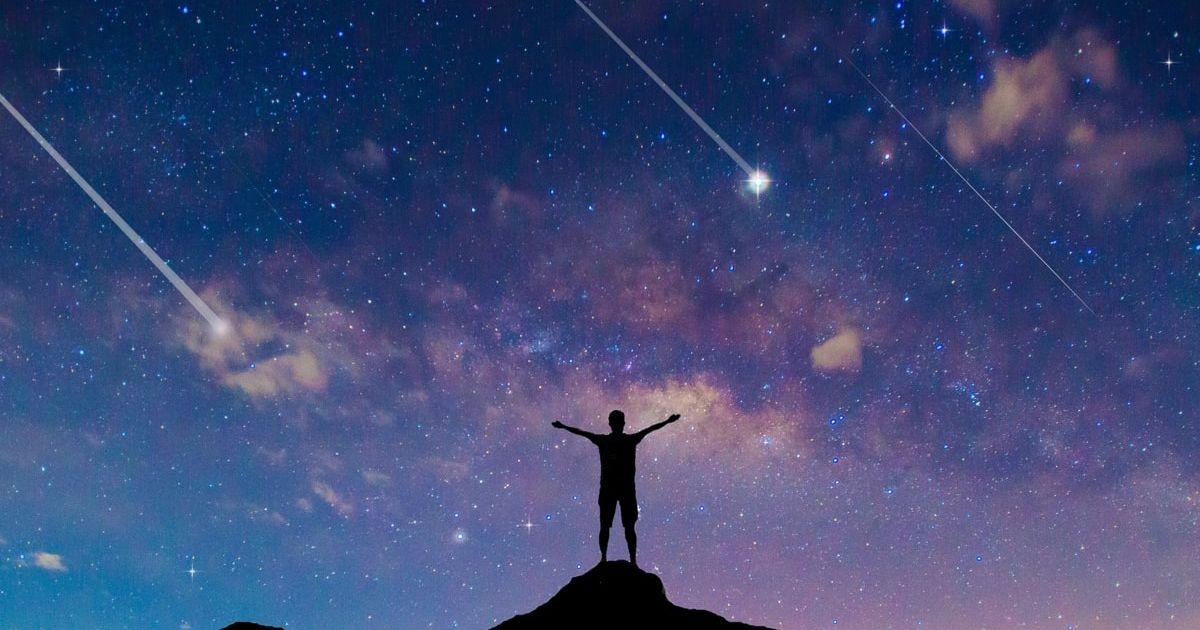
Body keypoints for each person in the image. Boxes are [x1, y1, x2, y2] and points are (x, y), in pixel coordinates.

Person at [551, 410, 681, 566]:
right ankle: (622, 560)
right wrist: (667, 421)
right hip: (619, 490)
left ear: (611, 424)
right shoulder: (626, 440)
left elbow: (583, 433)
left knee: (616, 526)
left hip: (614, 490)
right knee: (619, 526)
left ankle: (611, 559)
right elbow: (650, 429)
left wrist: (564, 426)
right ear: (621, 423)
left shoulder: (608, 440)